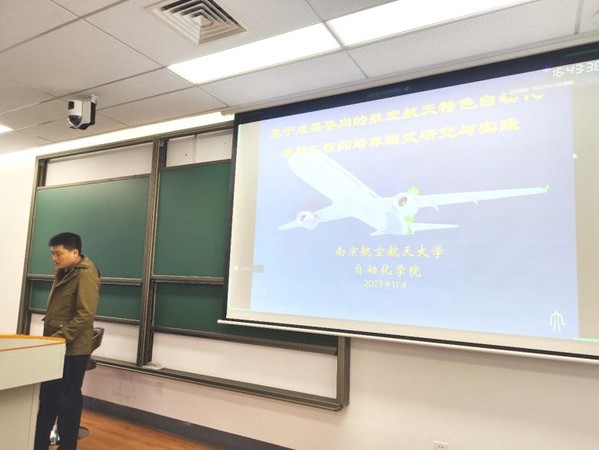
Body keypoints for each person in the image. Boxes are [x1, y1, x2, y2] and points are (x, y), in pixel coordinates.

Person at [34, 232, 100, 450]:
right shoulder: (63, 270)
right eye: (53, 254)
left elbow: (85, 314)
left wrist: (58, 339)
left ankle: (68, 445)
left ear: (75, 252)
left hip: (73, 349)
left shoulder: (86, 274)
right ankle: (39, 443)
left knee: (68, 400)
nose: (54, 258)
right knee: (48, 396)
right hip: (55, 346)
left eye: (59, 253)